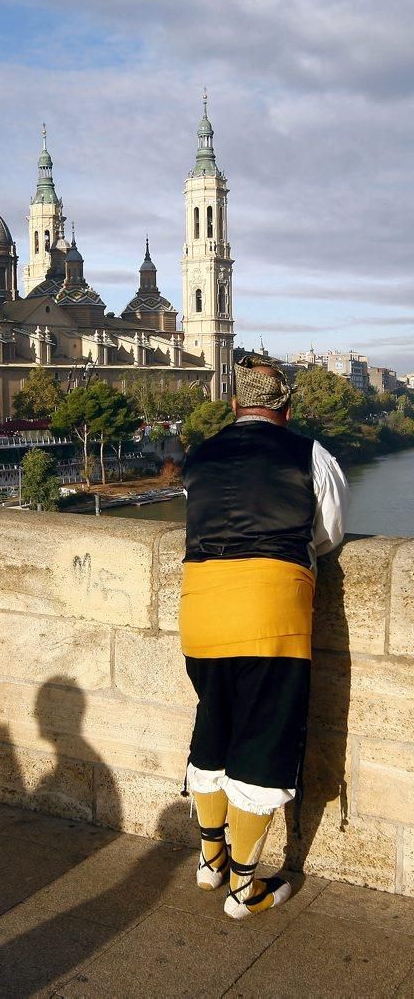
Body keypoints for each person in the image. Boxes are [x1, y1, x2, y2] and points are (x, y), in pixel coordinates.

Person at [179, 356, 349, 920]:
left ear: (233, 406)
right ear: (287, 409)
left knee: (214, 721)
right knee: (262, 738)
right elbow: (327, 535)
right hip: (270, 611)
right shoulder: (311, 455)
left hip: (201, 608)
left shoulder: (199, 455)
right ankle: (245, 889)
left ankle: (210, 862)